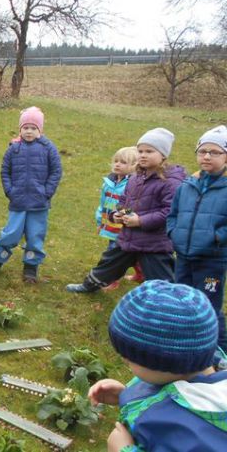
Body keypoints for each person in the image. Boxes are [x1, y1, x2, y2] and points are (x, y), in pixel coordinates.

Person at [88, 280, 227, 452]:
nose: (124, 360)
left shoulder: (187, 433)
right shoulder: (209, 375)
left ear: (165, 362)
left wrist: (125, 450)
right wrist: (126, 394)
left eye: (130, 358)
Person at [66, 128, 185, 293]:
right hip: (128, 237)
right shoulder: (135, 178)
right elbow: (124, 201)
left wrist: (140, 221)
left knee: (161, 281)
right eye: (140, 151)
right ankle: (89, 286)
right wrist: (118, 214)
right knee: (108, 264)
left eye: (149, 151)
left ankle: (168, 305)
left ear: (163, 155)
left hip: (154, 243)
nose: (143, 155)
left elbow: (169, 212)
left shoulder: (171, 182)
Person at [0, 107, 62, 283]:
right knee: (11, 233)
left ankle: (31, 266)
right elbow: (5, 171)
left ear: (40, 130)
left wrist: (47, 192)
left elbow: (56, 171)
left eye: (33, 128)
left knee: (35, 235)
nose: (29, 131)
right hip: (18, 201)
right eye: (26, 127)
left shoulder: (48, 149)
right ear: (20, 129)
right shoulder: (13, 149)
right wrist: (10, 190)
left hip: (39, 203)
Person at [168, 125, 227, 351]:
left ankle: (219, 350)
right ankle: (185, 343)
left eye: (215, 152)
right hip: (184, 256)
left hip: (212, 261)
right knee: (182, 299)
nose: (207, 157)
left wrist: (216, 238)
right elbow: (172, 214)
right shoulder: (187, 185)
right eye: (203, 151)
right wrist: (173, 233)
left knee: (209, 304)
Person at [96, 146, 138, 291]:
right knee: (127, 254)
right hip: (109, 224)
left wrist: (125, 215)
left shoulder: (132, 184)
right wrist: (100, 221)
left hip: (123, 226)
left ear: (134, 166)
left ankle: (112, 279)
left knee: (114, 254)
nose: (117, 164)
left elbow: (133, 205)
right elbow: (102, 204)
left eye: (123, 162)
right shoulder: (108, 183)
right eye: (116, 161)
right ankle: (141, 273)